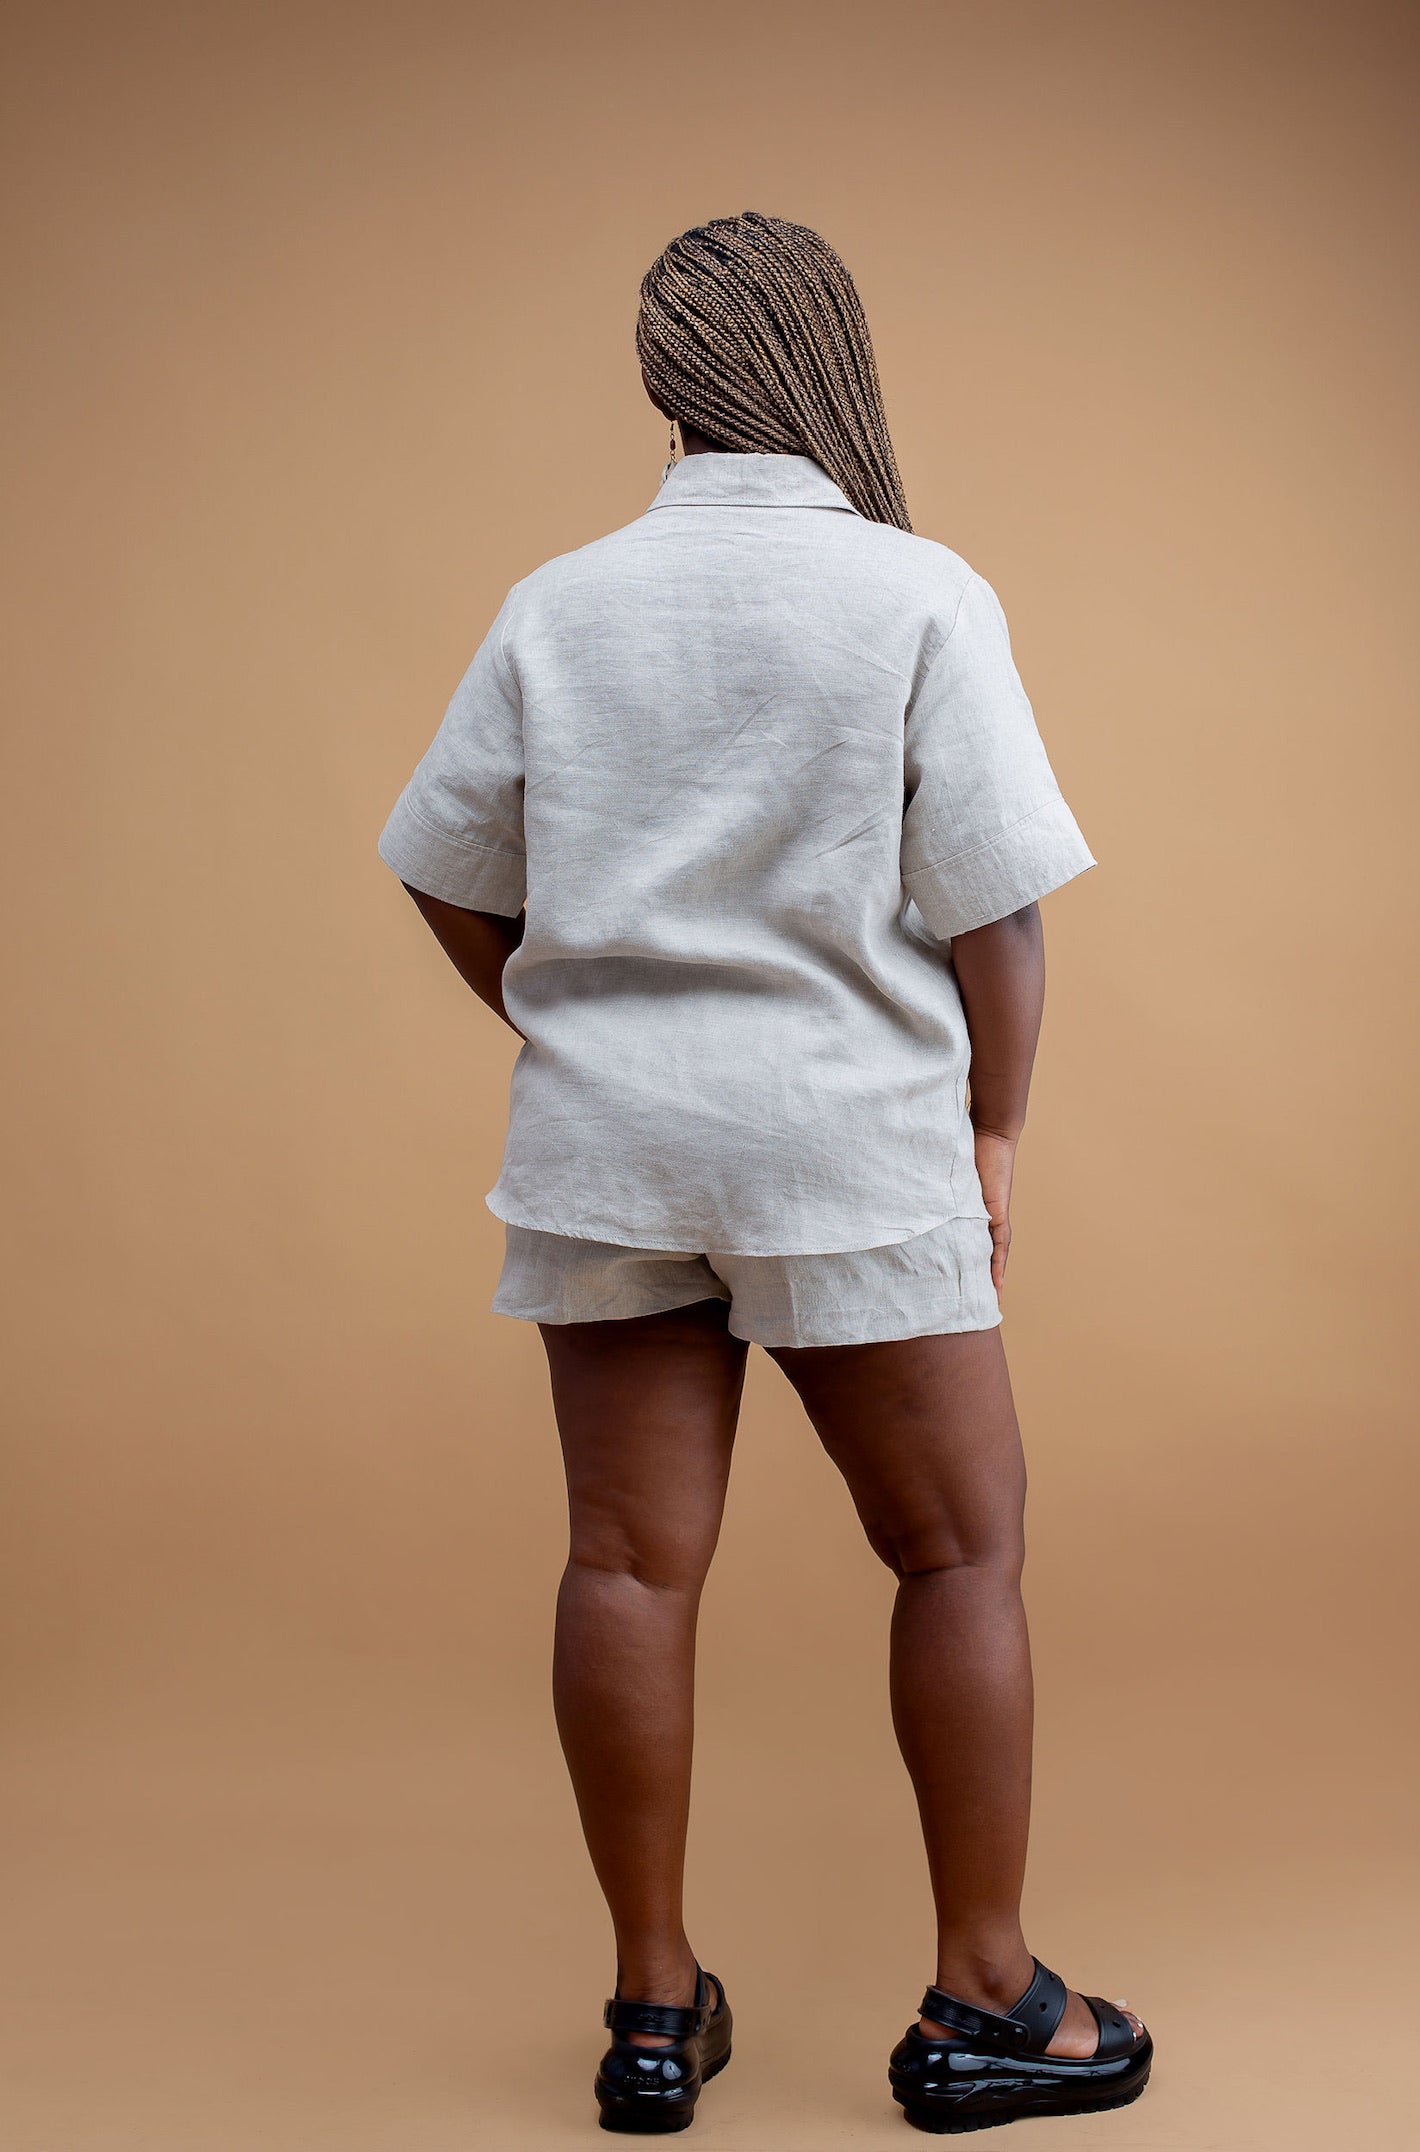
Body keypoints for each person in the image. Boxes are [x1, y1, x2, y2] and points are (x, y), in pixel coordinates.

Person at [377, 210, 1151, 2136]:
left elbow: (441, 862)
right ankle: (986, 1998)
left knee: (626, 1563)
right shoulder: (914, 592)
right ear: (830, 361)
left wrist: (568, 1021)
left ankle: (652, 2015)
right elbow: (997, 914)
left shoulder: (559, 602)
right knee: (956, 1549)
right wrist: (992, 1125)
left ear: (664, 383)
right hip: (845, 1136)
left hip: (610, 1141)